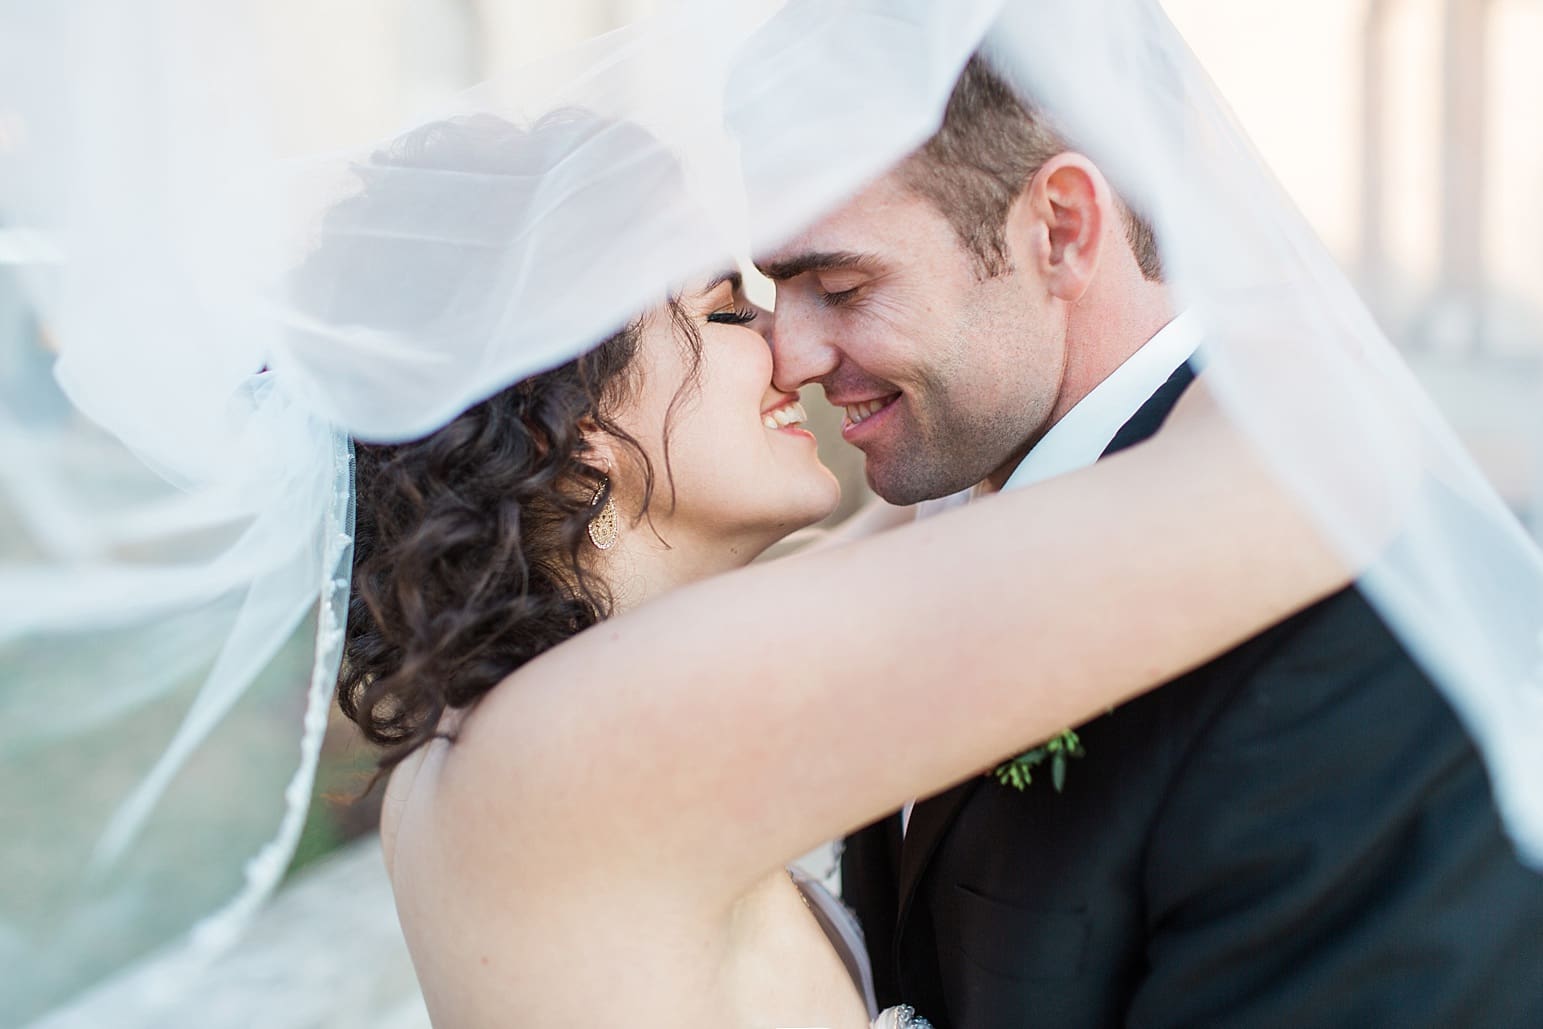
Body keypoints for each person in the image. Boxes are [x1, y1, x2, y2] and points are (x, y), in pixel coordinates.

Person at [329, 113, 1351, 1029]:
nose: (786, 348)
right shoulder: (578, 748)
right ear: (576, 415)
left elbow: (945, 518)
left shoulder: (556, 704)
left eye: (830, 289)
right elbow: (1278, 484)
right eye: (729, 313)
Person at [755, 54, 1543, 1027]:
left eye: (838, 285)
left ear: (1059, 230)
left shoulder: (1343, 646)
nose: (786, 356)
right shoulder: (917, 527)